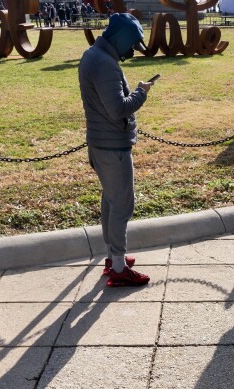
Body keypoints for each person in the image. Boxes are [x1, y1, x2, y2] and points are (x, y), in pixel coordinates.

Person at [79, 13, 152, 286]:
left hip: (99, 142)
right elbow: (118, 109)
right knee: (122, 205)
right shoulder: (106, 64)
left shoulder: (92, 55)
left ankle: (113, 257)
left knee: (111, 201)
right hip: (112, 147)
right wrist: (141, 92)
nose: (131, 51)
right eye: (131, 45)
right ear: (122, 39)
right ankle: (119, 268)